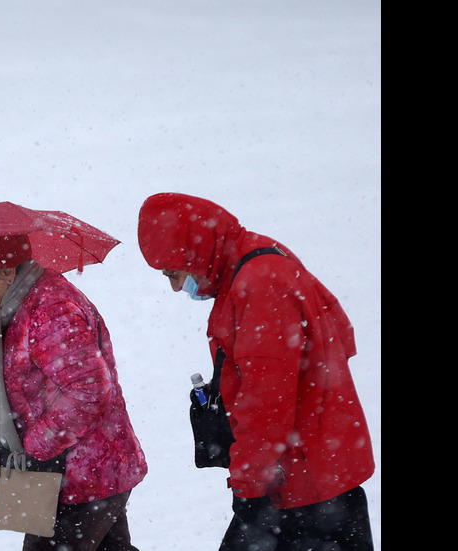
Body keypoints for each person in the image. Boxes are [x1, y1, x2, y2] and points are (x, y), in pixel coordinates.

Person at [136, 192, 375, 551]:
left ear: (194, 252)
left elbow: (267, 402)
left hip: (305, 489)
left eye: (174, 272)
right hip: (313, 474)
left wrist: (250, 483)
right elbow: (339, 334)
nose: (173, 287)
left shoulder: (260, 284)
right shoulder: (259, 259)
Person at [0, 234, 147, 551]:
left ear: (6, 273)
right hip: (81, 474)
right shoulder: (18, 307)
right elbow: (37, 389)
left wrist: (35, 448)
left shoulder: (50, 310)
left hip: (83, 477)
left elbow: (88, 390)